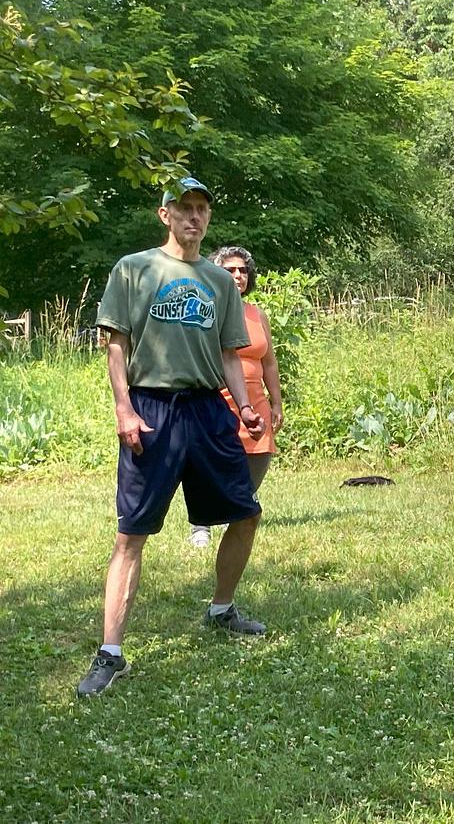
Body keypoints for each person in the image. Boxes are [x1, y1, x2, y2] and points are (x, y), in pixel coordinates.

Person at [77, 177, 268, 698]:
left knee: (245, 513)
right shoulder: (134, 269)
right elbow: (115, 344)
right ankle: (111, 653)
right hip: (152, 409)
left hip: (209, 410)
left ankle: (222, 608)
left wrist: (246, 408)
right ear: (165, 215)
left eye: (202, 208)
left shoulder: (220, 282)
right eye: (184, 207)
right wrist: (124, 409)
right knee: (131, 534)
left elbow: (231, 354)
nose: (194, 217)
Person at [189, 246, 284, 547]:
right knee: (208, 461)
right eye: (230, 270)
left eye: (242, 270)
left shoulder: (257, 315)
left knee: (259, 456)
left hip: (254, 398)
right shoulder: (206, 310)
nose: (238, 276)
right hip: (216, 396)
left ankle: (238, 512)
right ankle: (200, 524)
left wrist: (276, 400)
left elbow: (269, 360)